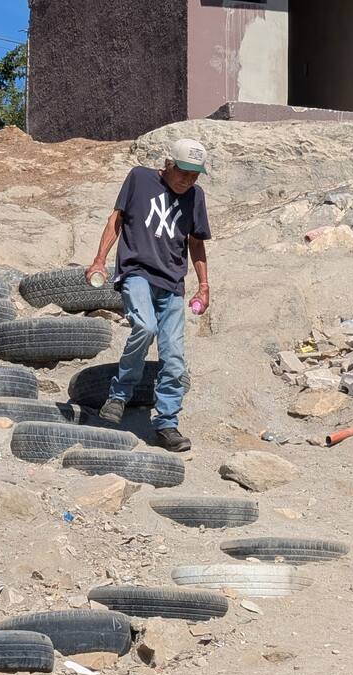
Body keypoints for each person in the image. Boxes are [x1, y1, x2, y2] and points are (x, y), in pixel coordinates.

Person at [85, 138, 212, 453]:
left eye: (195, 175)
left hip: (173, 285)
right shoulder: (140, 178)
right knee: (145, 327)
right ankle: (119, 395)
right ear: (169, 164)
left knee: (175, 359)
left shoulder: (195, 197)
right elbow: (115, 221)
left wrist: (204, 284)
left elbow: (196, 242)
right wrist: (100, 259)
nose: (188, 180)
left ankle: (167, 424)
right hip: (137, 273)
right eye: (183, 172)